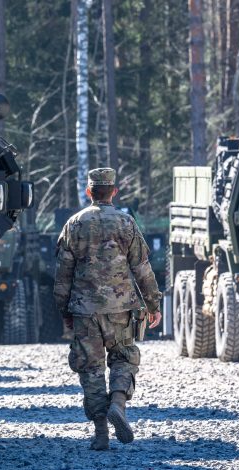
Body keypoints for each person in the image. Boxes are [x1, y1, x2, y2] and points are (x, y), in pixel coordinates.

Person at [53, 168, 162, 450]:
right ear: (113, 192)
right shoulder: (126, 223)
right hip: (121, 309)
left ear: (89, 192)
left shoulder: (74, 224)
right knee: (124, 358)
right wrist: (153, 304)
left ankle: (101, 432)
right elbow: (142, 268)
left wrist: (63, 309)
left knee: (90, 369)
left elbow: (63, 273)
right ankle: (118, 404)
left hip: (84, 310)